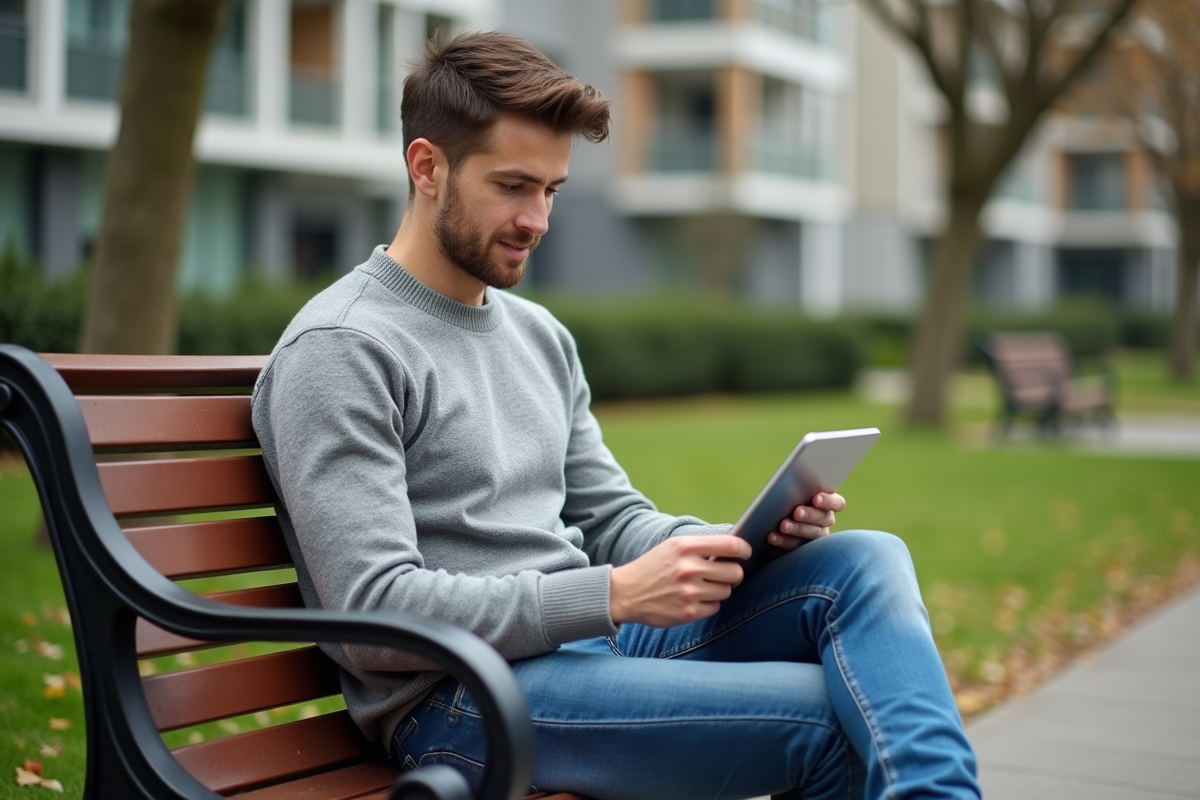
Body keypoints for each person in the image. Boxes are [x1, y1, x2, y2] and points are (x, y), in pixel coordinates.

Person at [251, 30, 981, 800]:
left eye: (552, 190)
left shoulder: (538, 335)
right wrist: (610, 595)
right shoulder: (344, 348)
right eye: (513, 186)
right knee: (834, 721)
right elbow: (374, 608)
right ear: (427, 167)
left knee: (863, 564)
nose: (538, 218)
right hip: (460, 697)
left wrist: (729, 543)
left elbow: (612, 516)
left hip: (588, 648)